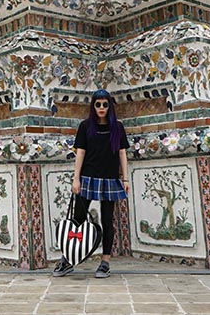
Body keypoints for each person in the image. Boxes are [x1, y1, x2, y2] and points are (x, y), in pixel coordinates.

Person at [53, 89, 130, 278]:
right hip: (87, 178)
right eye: (98, 104)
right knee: (77, 218)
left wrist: (125, 178)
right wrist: (76, 178)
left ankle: (105, 262)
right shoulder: (85, 126)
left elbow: (122, 153)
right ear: (93, 106)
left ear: (109, 106)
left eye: (105, 104)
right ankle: (67, 259)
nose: (101, 108)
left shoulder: (117, 127)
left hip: (110, 179)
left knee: (107, 220)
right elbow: (80, 152)